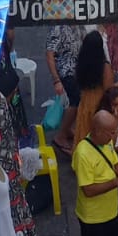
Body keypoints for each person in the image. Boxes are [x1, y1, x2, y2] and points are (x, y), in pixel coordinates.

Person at [45, 23, 82, 154]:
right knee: (75, 101)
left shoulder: (77, 24)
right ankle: (60, 136)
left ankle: (67, 129)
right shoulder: (57, 28)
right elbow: (49, 54)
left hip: (78, 70)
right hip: (66, 71)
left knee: (79, 100)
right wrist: (56, 80)